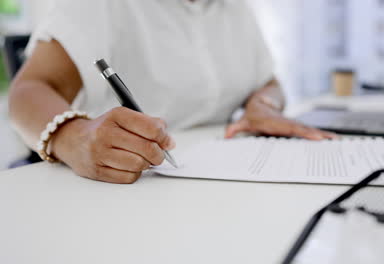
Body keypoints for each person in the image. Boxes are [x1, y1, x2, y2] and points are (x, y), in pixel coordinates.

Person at [8, 0, 335, 184]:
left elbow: (269, 81)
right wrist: (72, 135)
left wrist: (264, 104)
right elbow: (28, 89)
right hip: (121, 192)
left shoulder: (237, 11)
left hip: (220, 187)